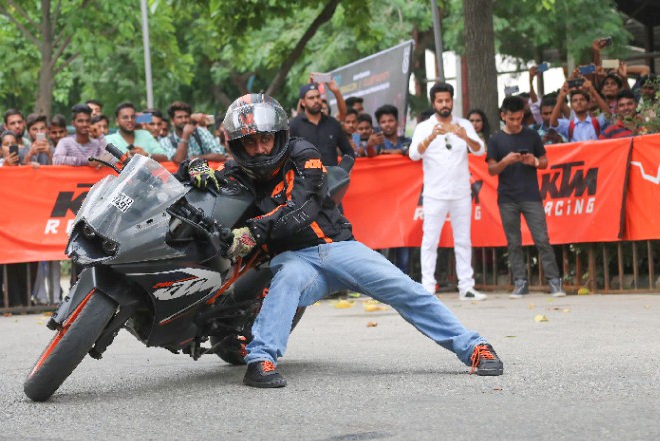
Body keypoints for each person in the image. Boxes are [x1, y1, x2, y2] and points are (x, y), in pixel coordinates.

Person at [213, 93, 502, 388]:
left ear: (279, 136)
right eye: (250, 142)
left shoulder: (303, 153)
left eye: (266, 139)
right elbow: (201, 186)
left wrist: (256, 232)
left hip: (340, 249)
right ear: (238, 145)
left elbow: (303, 207)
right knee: (286, 280)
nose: (260, 149)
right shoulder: (236, 172)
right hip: (295, 259)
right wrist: (193, 170)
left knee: (405, 289)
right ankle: (260, 360)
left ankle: (474, 347)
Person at [409, 82, 487, 300]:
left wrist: (466, 137)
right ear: (433, 103)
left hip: (461, 191)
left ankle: (466, 287)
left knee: (463, 240)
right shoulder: (424, 127)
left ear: (452, 101)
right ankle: (427, 287)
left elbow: (480, 150)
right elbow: (414, 154)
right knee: (430, 240)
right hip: (435, 193)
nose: (444, 104)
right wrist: (431, 136)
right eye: (440, 101)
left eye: (447, 100)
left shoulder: (463, 124)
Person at [486, 96, 566, 298]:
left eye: (519, 118)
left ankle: (554, 282)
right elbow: (492, 169)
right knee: (513, 243)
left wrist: (534, 162)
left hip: (531, 195)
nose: (515, 123)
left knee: (542, 239)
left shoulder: (531, 135)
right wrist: (505, 161)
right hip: (507, 197)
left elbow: (545, 161)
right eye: (511, 119)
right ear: (503, 116)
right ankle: (520, 282)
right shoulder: (495, 139)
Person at [290, 83, 354, 166]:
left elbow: (348, 151)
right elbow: (287, 156)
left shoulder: (333, 123)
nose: (316, 100)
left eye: (318, 96)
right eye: (311, 98)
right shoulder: (294, 125)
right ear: (303, 102)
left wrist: (342, 172)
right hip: (305, 177)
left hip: (331, 177)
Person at [160, 101, 226, 163]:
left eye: (186, 117)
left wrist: (197, 157)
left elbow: (221, 155)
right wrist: (185, 135)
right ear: (172, 121)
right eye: (179, 117)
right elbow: (178, 159)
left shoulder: (201, 132)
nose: (184, 120)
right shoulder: (166, 141)